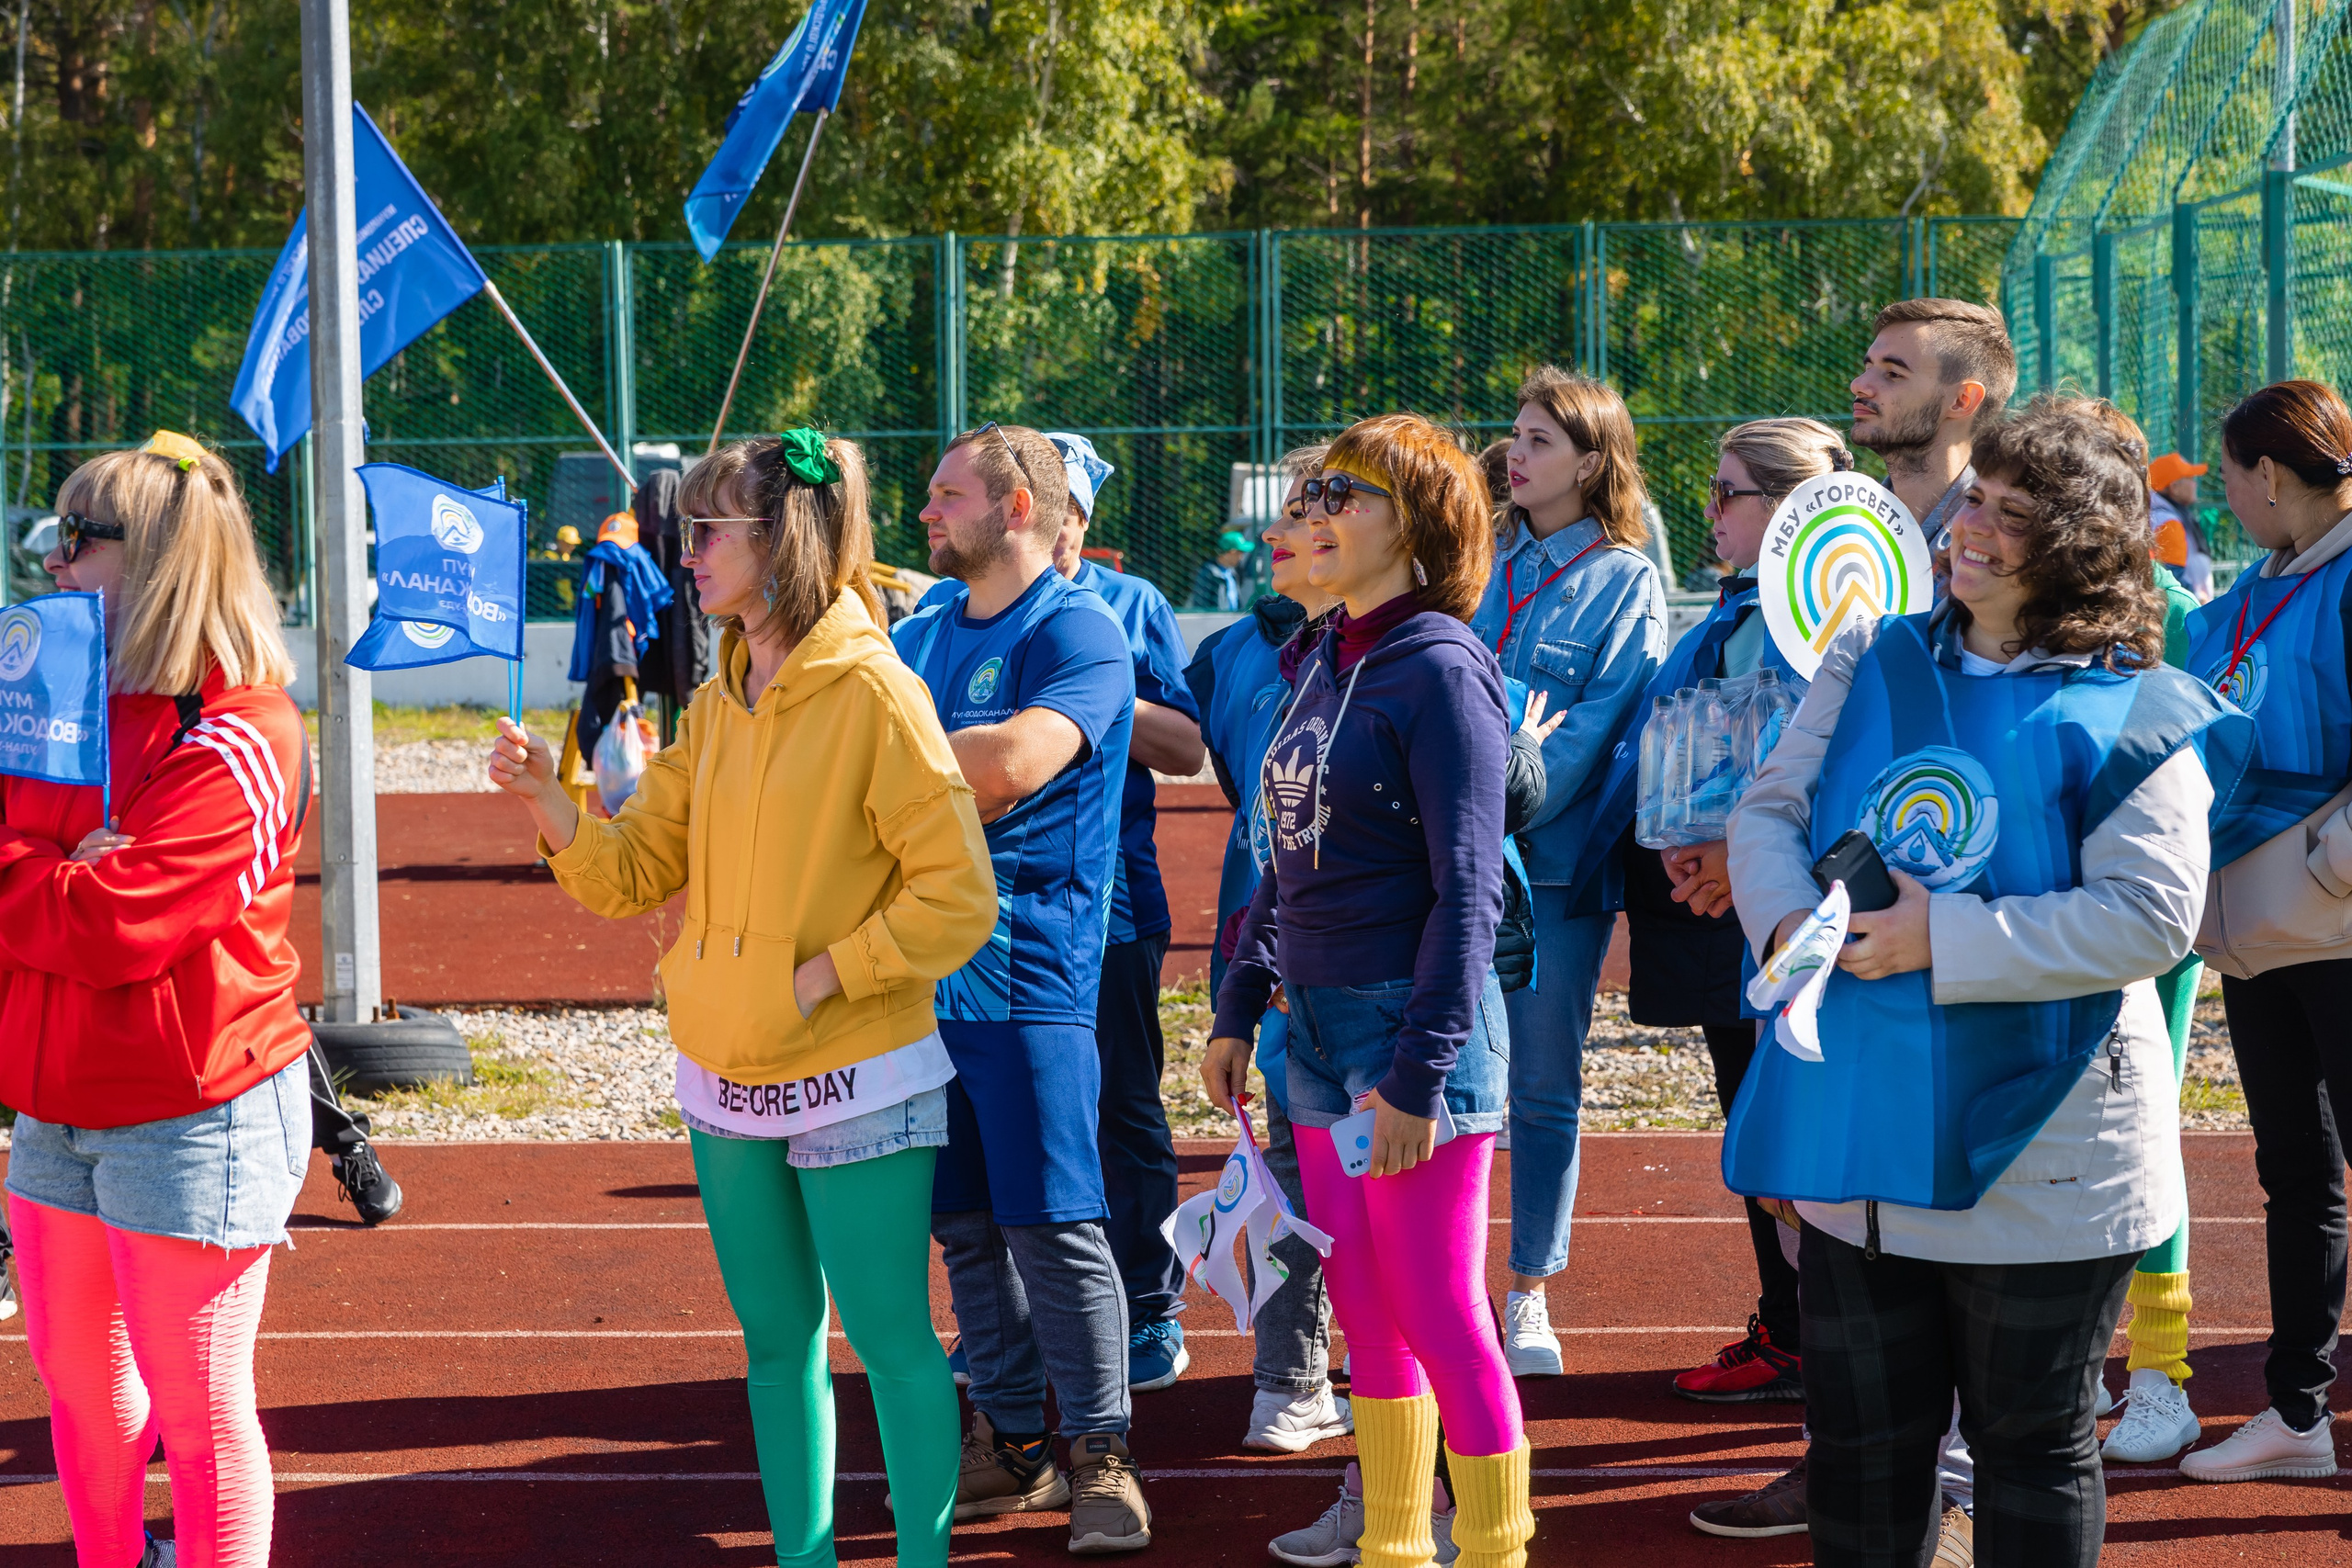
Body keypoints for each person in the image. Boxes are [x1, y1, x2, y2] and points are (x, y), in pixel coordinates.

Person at [1723, 396, 2243, 1565]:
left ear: (2077, 547)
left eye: (2014, 516)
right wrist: (1791, 927)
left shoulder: (2137, 705)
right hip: (1861, 1135)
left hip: (2049, 1152)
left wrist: (1937, 940)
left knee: (2028, 1454)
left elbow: (2151, 916)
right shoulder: (1872, 652)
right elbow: (1768, 811)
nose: (1971, 528)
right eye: (1975, 500)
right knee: (1859, 1456)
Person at [490, 432, 992, 1568]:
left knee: (894, 1342)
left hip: (858, 1070)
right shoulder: (718, 697)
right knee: (777, 1346)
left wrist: (828, 973)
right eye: (690, 527)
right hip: (724, 1075)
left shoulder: (876, 690)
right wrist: (550, 800)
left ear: (785, 541)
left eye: (710, 528)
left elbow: (959, 897)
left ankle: (922, 1558)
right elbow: (630, 875)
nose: (688, 549)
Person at [1205, 412, 1533, 1568]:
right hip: (1312, 1028)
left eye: (1343, 495)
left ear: (1421, 527)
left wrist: (1416, 1074)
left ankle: (1494, 1550)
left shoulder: (1442, 670)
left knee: (1440, 1312)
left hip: (1408, 1030)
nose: (1314, 512)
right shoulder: (1318, 661)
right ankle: (1395, 1545)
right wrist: (1239, 1005)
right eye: (1314, 492)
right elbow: (1280, 854)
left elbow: (1468, 893)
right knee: (1370, 1314)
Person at [3, 431, 315, 1568]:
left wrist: (41, 866)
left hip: (199, 1113)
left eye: (75, 537)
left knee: (196, 1407)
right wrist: (57, 860)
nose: (52, 561)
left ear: (158, 561)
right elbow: (67, 893)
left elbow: (113, 926)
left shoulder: (244, 732)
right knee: (82, 1399)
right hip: (54, 1104)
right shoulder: (56, 706)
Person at [890, 422, 1153, 1553]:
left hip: (1030, 971)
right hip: (917, 976)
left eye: (946, 494)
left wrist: (870, 762)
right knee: (958, 1223)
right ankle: (1012, 1440)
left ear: (1016, 508)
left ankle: (1103, 1453)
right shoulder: (922, 630)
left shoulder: (1080, 629)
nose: (924, 513)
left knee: (1054, 1222)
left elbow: (1004, 770)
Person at [1581, 420, 1852, 1424]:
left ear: (1788, 511)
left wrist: (1750, 869)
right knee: (1756, 1128)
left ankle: (1821, 1340)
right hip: (1718, 903)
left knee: (1797, 1139)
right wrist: (1693, 853)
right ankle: (1791, 1327)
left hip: (1788, 914)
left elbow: (1825, 773)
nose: (1709, 511)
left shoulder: (1832, 617)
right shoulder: (1737, 610)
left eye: (1728, 491)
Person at [1465, 365, 1664, 1378]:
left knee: (1541, 1087)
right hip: (1442, 867)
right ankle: (1436, 1287)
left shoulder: (1626, 580)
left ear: (1593, 461)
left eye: (1539, 440)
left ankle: (1528, 1289)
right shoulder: (1469, 558)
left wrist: (1493, 787)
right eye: (1514, 435)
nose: (1515, 454)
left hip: (1546, 875)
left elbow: (1592, 731)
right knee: (1425, 1084)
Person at [2174, 379, 2352, 1484]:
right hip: (2258, 932)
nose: (2230, 497)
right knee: (2296, 1170)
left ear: (2270, 477)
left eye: (2232, 478)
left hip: (2330, 925)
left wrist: (2333, 867)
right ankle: (2297, 1413)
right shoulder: (2261, 586)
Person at [1184, 445, 1357, 1461]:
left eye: (1315, 508)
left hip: (1374, 979)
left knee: (1379, 1198)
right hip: (1266, 947)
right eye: (1286, 509)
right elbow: (1241, 792)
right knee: (1281, 1166)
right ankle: (1290, 1375)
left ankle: (1406, 1409)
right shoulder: (1238, 653)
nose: (1288, 529)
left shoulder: (1416, 652)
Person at [1043, 430, 1206, 1392]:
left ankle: (1149, 1309)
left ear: (1079, 516)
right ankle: (1015, 1319)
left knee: (1123, 1110)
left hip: (1109, 907)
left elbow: (1185, 749)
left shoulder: (1131, 604)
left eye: (1056, 499)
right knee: (1000, 1115)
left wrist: (1084, 698)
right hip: (981, 911)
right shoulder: (957, 607)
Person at [1849, 298, 2017, 552]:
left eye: (1894, 374)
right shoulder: (1840, 529)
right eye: (1868, 366)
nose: (1858, 385)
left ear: (1962, 400)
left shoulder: (2001, 543)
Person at [2149, 452, 2215, 601]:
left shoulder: (2162, 515)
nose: (2194, 483)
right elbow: (2172, 577)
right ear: (2174, 487)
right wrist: (2196, 598)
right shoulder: (2167, 522)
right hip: (2184, 611)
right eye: (2190, 479)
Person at [1193, 528, 1251, 610]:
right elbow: (1201, 605)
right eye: (1240, 553)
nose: (1241, 558)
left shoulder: (1232, 573)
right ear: (1232, 552)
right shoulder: (1209, 573)